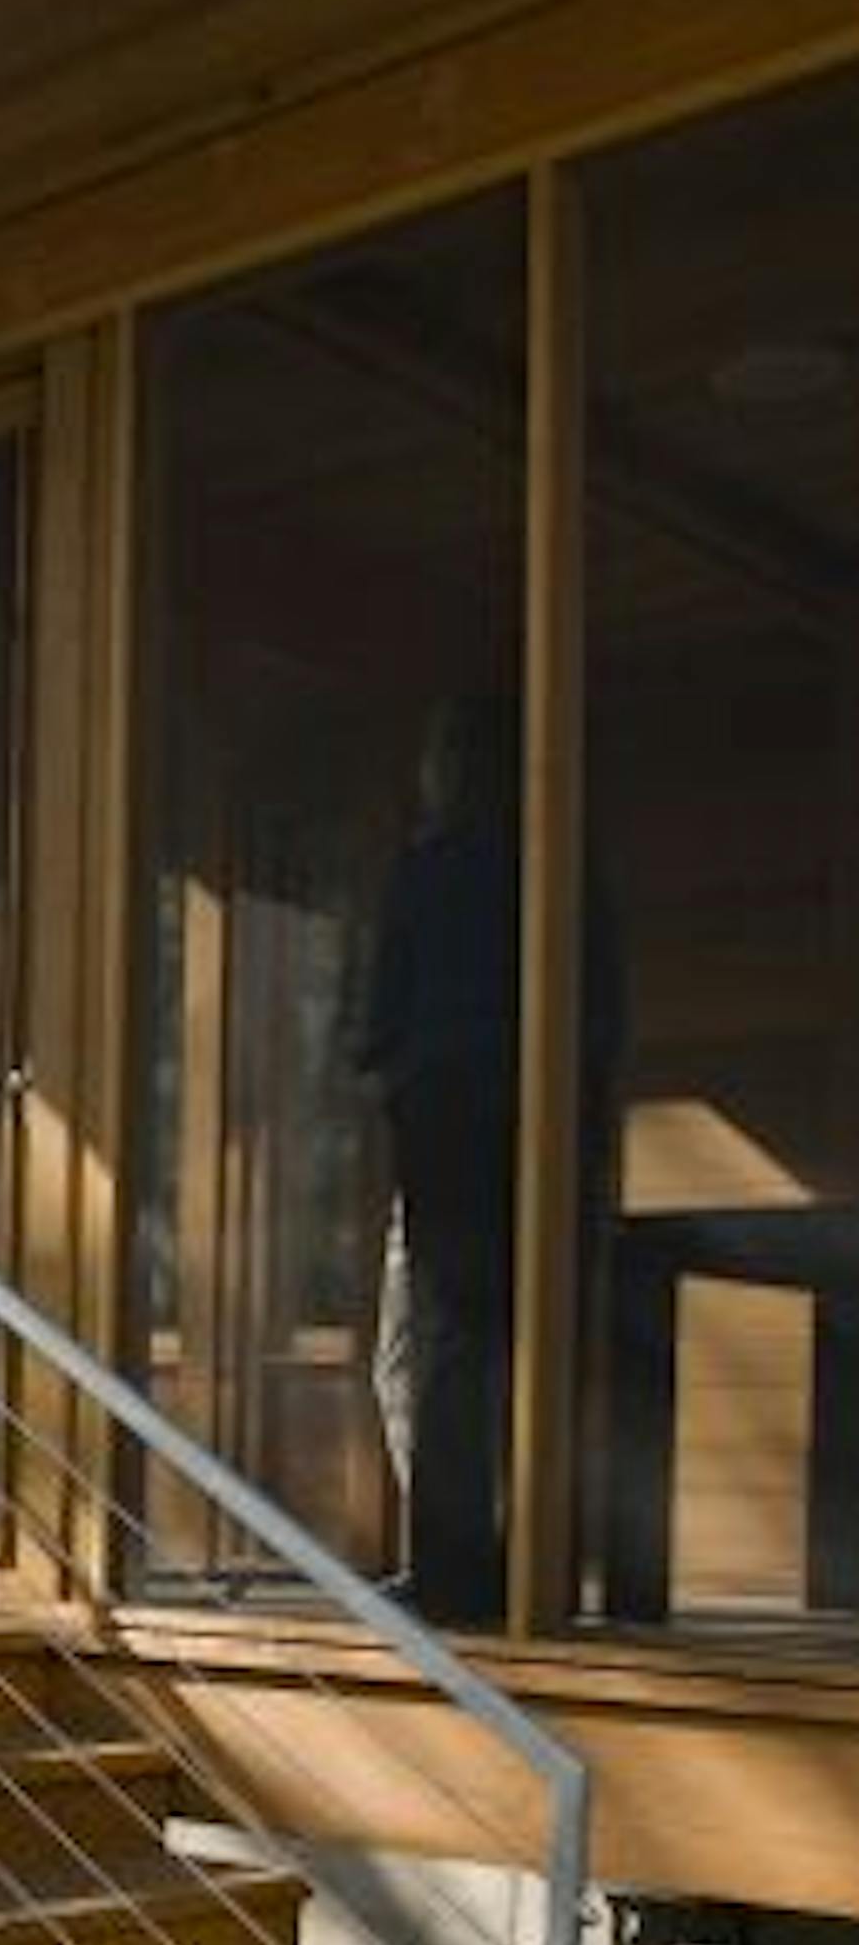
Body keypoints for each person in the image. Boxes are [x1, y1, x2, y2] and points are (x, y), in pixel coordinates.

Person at [359, 693, 621, 1625]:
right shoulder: (561, 870)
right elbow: (602, 1013)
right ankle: (520, 1574)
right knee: (520, 1342)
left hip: (449, 1123)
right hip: (546, 1128)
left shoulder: (429, 871)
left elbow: (379, 1017)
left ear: (445, 769)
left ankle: (459, 1578)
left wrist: (386, 1074)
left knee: (435, 1348)